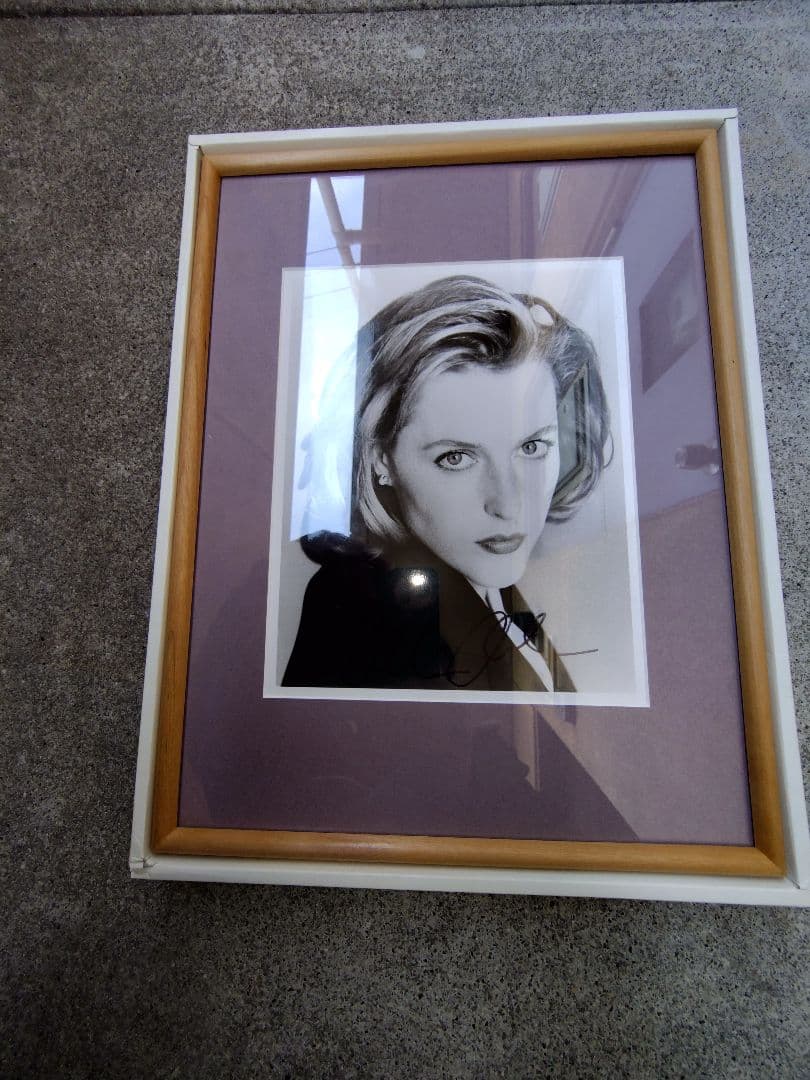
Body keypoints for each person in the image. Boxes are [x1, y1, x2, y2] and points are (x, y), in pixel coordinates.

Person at [282, 275, 610, 692]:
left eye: (531, 447)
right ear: (381, 460)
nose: (509, 504)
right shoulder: (353, 605)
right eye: (456, 458)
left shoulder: (487, 581)